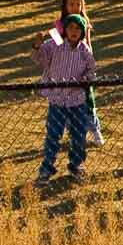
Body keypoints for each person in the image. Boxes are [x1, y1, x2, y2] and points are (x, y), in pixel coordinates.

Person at [32, 13, 95, 185]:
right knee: (53, 135)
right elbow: (40, 59)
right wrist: (37, 46)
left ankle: (76, 165)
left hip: (77, 100)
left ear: (82, 32)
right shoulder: (56, 44)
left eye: (78, 29)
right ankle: (46, 169)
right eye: (70, 28)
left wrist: (85, 80)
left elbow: (91, 70)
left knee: (78, 135)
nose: (74, 32)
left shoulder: (84, 50)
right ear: (65, 30)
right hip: (57, 99)